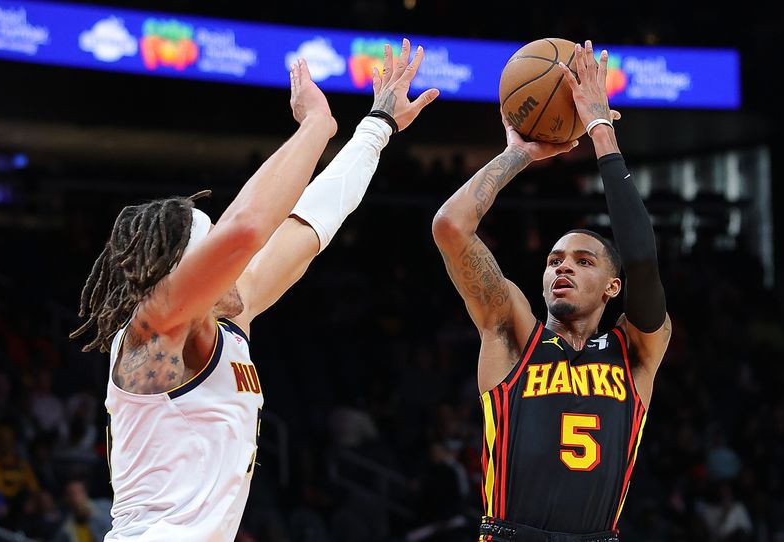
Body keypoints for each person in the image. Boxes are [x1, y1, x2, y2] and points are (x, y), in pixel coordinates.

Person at [70, 39, 438, 541]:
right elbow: (246, 230)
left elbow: (311, 224)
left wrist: (376, 126)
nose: (234, 266)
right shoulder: (154, 327)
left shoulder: (228, 317)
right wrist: (316, 125)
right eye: (212, 254)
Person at [432, 40, 670, 541]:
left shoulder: (636, 353)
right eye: (554, 260)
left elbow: (644, 259)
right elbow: (451, 227)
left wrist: (601, 130)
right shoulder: (513, 333)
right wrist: (516, 155)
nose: (562, 268)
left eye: (583, 262)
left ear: (613, 287)